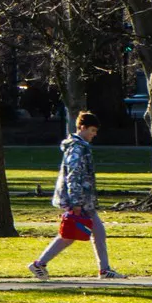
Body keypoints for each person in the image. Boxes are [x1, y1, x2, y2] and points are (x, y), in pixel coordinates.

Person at [28, 111, 126, 280]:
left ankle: (104, 269)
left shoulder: (80, 147)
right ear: (82, 127)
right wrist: (76, 202)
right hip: (79, 200)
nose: (94, 134)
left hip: (83, 200)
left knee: (94, 232)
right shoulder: (77, 148)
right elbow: (73, 176)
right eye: (92, 130)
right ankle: (39, 264)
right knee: (70, 235)